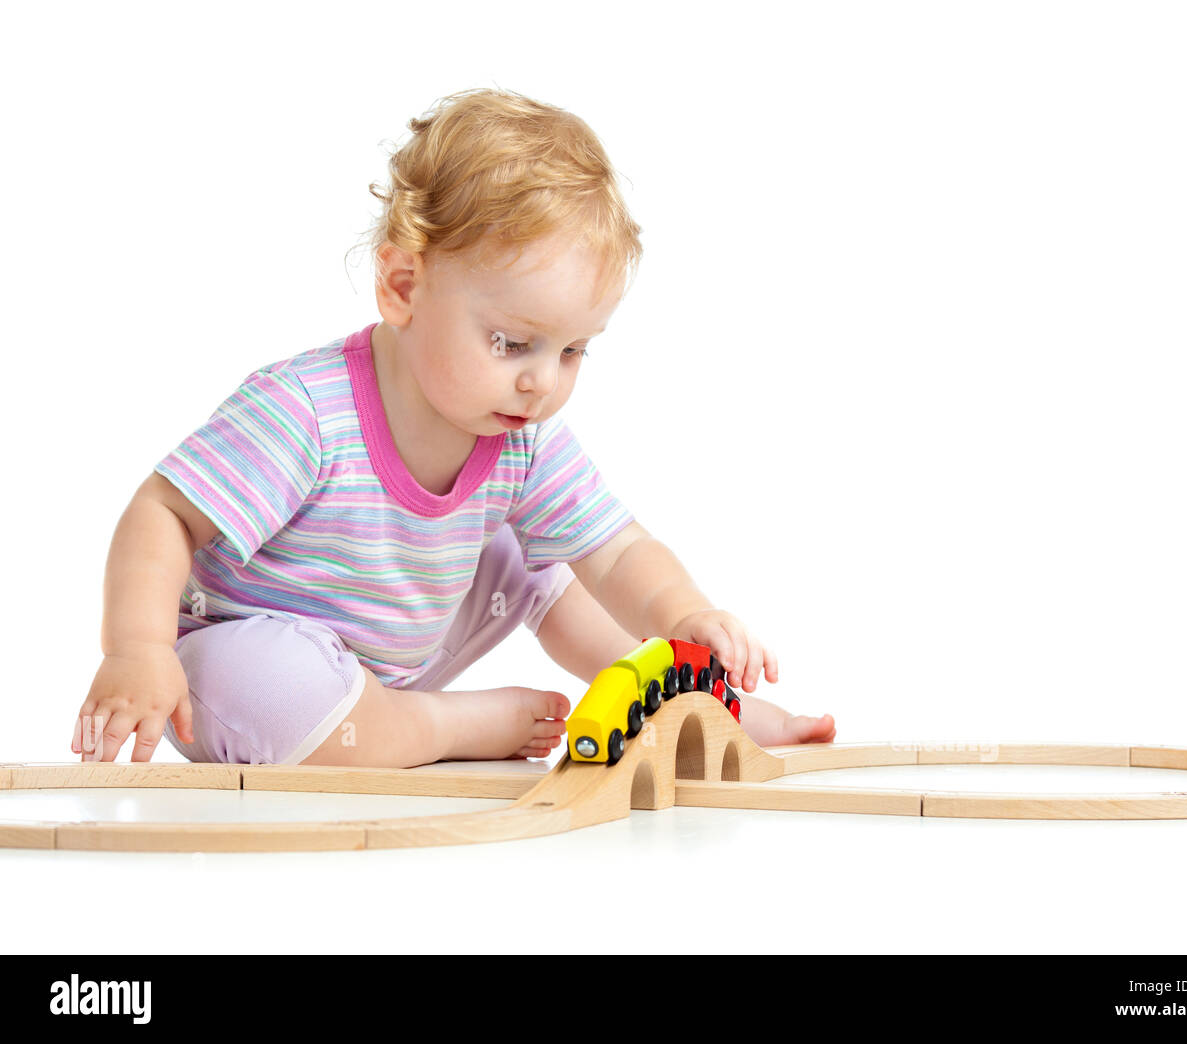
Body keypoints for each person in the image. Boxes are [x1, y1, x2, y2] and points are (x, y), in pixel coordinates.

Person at [72, 87, 837, 768]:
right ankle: (440, 727)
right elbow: (163, 512)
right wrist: (137, 651)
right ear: (404, 287)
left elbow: (619, 549)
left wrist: (684, 614)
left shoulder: (519, 434)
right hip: (254, 663)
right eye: (511, 343)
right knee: (265, 684)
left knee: (546, 559)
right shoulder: (304, 408)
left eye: (573, 350)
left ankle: (682, 704)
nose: (543, 382)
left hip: (396, 652)